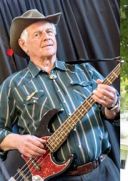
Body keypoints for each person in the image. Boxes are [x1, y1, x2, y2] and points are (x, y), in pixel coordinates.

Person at [0, 9, 119, 180]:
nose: (46, 36)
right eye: (37, 34)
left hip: (104, 171)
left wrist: (112, 104)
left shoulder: (84, 70)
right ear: (23, 44)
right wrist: (18, 141)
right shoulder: (13, 85)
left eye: (49, 31)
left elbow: (113, 113)